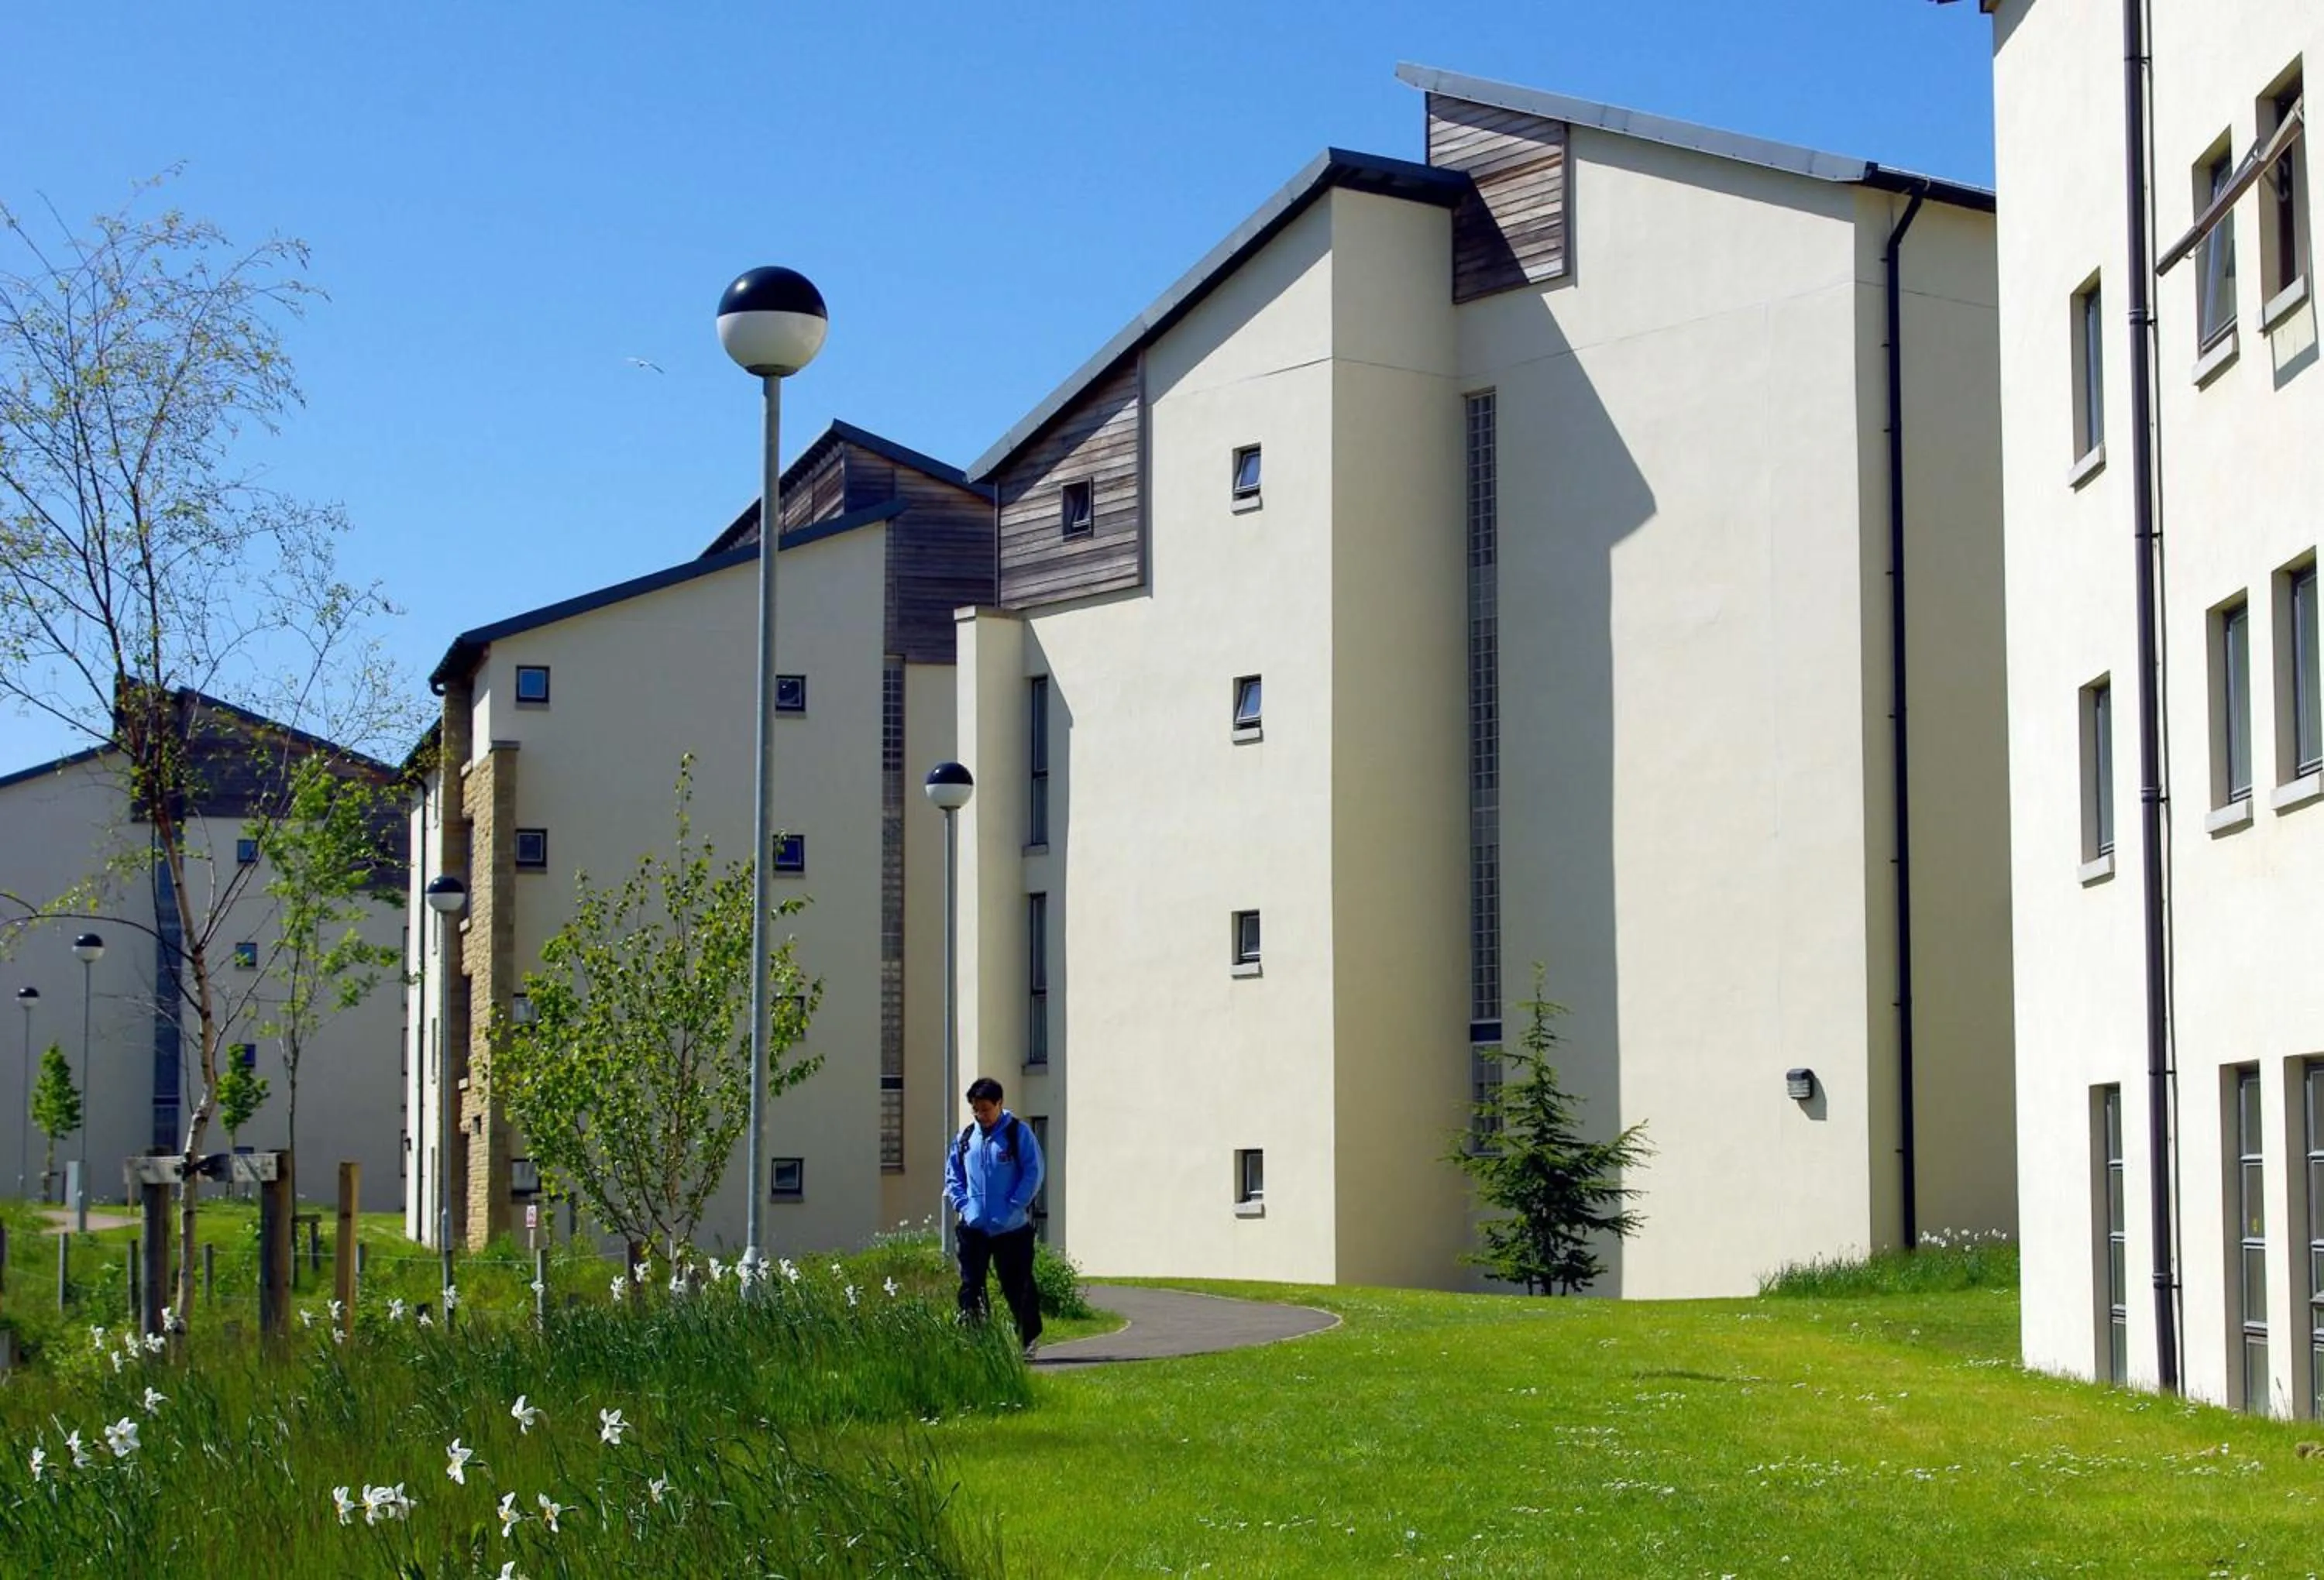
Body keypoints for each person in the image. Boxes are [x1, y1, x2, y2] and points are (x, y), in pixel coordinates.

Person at [944, 1076, 1046, 1354]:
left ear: (1000, 1104)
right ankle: (974, 1338)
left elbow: (1033, 1172)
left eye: (986, 1109)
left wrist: (1014, 1205)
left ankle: (1027, 1337)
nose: (981, 1115)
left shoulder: (1018, 1134)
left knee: (1017, 1285)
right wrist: (964, 1206)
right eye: (976, 1109)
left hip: (1011, 1228)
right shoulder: (966, 1138)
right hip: (974, 1227)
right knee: (971, 1285)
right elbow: (954, 1176)